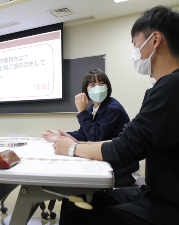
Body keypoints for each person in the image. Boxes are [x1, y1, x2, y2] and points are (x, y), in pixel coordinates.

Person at [53, 5, 179, 225]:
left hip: (167, 204)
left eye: (136, 45)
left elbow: (124, 147)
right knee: (74, 200)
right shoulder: (162, 87)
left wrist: (72, 148)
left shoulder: (171, 86)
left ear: (155, 40)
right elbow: (115, 139)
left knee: (77, 218)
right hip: (153, 193)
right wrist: (73, 139)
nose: (135, 52)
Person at [42, 69, 139, 187]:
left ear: (108, 87)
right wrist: (61, 136)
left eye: (101, 83)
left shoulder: (113, 109)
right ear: (86, 90)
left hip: (124, 171)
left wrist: (82, 111)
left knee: (79, 184)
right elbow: (84, 133)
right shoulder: (94, 108)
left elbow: (95, 137)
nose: (97, 87)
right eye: (92, 84)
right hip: (108, 163)